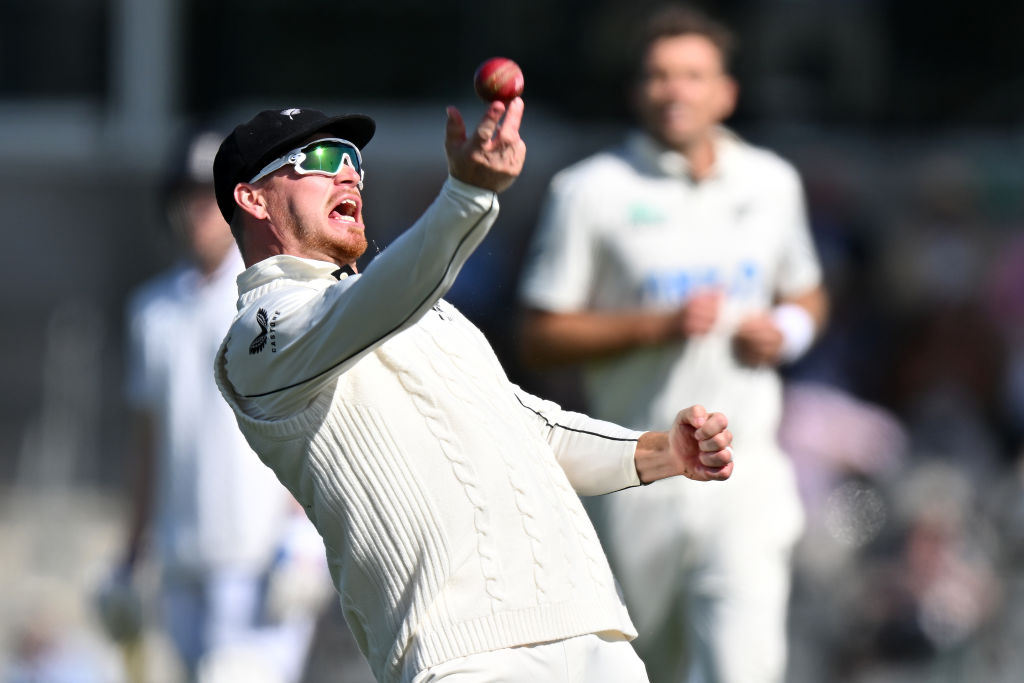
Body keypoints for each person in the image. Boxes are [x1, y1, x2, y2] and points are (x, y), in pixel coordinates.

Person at [209, 98, 735, 683]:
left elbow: (530, 429)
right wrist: (467, 194)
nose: (349, 172)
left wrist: (662, 451)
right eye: (322, 158)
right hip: (463, 655)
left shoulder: (427, 310)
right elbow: (369, 303)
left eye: (355, 160)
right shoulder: (257, 340)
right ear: (252, 197)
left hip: (595, 634)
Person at [516, 5, 828, 683]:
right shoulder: (590, 192)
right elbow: (539, 335)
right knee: (641, 669)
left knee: (744, 665)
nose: (675, 90)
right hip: (639, 476)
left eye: (692, 75)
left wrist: (788, 330)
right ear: (638, 92)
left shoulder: (771, 183)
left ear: (725, 93)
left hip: (745, 473)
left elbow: (807, 291)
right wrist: (654, 324)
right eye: (659, 76)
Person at [108, 129, 331, 683]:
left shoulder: (275, 291)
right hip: (181, 560)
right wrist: (130, 557)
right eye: (184, 198)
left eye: (207, 198)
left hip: (260, 559)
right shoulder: (152, 311)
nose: (195, 214)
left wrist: (303, 531)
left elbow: (308, 410)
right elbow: (149, 439)